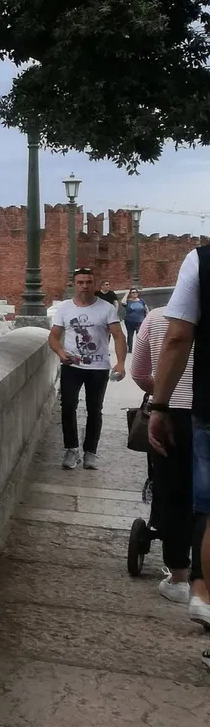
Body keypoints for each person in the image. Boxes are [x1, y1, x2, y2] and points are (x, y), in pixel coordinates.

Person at [145, 248, 210, 663]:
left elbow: (178, 337)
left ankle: (198, 586)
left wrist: (160, 405)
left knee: (198, 505)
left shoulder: (201, 261)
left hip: (203, 412)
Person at [131, 307, 195, 604]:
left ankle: (179, 577)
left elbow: (139, 372)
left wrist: (160, 397)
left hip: (172, 414)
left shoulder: (156, 318)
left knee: (172, 493)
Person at [48, 268, 127, 470]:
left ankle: (90, 451)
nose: (84, 286)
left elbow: (118, 336)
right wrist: (60, 352)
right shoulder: (65, 309)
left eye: (88, 282)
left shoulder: (106, 309)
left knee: (95, 410)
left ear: (94, 284)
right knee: (68, 407)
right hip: (72, 366)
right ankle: (71, 449)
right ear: (74, 284)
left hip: (99, 367)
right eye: (80, 282)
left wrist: (120, 363)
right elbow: (53, 336)